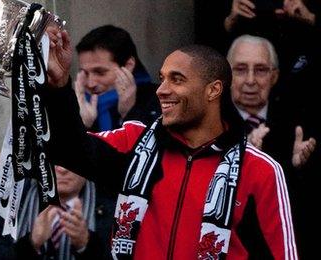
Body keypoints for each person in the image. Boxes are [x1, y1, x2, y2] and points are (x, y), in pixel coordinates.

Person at [43, 26, 298, 259]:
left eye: (177, 79)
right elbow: (68, 148)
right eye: (162, 78)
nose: (161, 89)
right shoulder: (136, 141)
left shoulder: (260, 170)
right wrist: (58, 85)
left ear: (213, 90)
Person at [228, 34, 317, 259]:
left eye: (260, 70)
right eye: (240, 69)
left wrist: (296, 167)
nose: (250, 80)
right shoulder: (208, 123)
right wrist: (243, 156)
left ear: (274, 76)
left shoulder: (299, 121)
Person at [0, 165, 115, 260]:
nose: (62, 169)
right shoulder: (8, 202)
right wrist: (31, 244)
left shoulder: (113, 206)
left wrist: (86, 245)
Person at [73, 25, 160, 131]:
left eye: (100, 72)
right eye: (85, 73)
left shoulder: (160, 100)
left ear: (128, 65)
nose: (91, 84)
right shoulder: (76, 106)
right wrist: (84, 126)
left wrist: (130, 114)